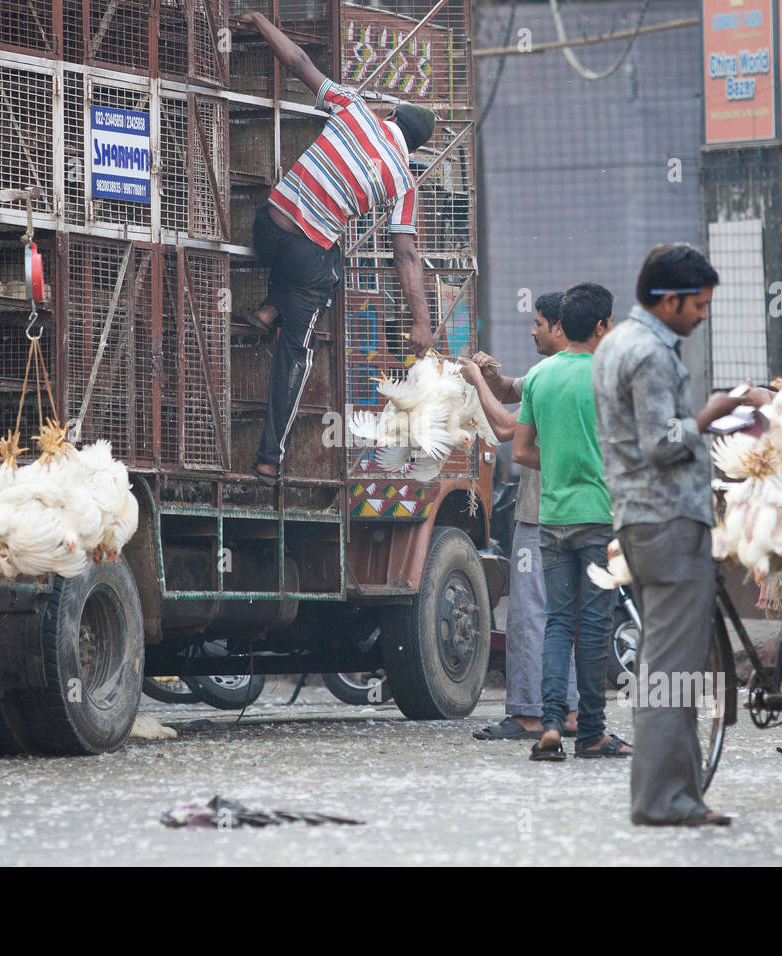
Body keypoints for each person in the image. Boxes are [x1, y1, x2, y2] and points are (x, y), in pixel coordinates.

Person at [233, 12, 438, 485]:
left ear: (391, 117)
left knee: (322, 251)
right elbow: (405, 256)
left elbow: (300, 60)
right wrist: (422, 322)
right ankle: (269, 458)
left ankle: (268, 308)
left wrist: (262, 21)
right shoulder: (405, 182)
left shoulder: (354, 107)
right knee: (300, 340)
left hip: (264, 229)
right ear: (414, 148)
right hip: (304, 261)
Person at [592, 244, 747, 825]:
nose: (703, 315)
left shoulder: (615, 345)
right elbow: (662, 442)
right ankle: (664, 800)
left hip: (638, 519)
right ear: (669, 299)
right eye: (698, 305)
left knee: (668, 662)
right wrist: (709, 414)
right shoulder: (650, 353)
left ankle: (676, 795)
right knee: (673, 670)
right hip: (668, 520)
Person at [512, 283, 630, 761]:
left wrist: (560, 463)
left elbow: (520, 450)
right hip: (600, 520)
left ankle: (551, 725)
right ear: (601, 326)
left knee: (557, 622)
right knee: (594, 626)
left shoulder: (540, 376)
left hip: (552, 518)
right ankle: (594, 733)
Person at [463, 294, 580, 742]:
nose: (531, 331)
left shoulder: (549, 374)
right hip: (581, 512)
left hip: (541, 512)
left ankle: (531, 714)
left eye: (538, 324)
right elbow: (517, 388)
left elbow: (507, 430)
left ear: (559, 329)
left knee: (530, 615)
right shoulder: (578, 372)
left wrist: (475, 380)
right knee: (568, 616)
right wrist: (493, 378)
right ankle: (569, 711)